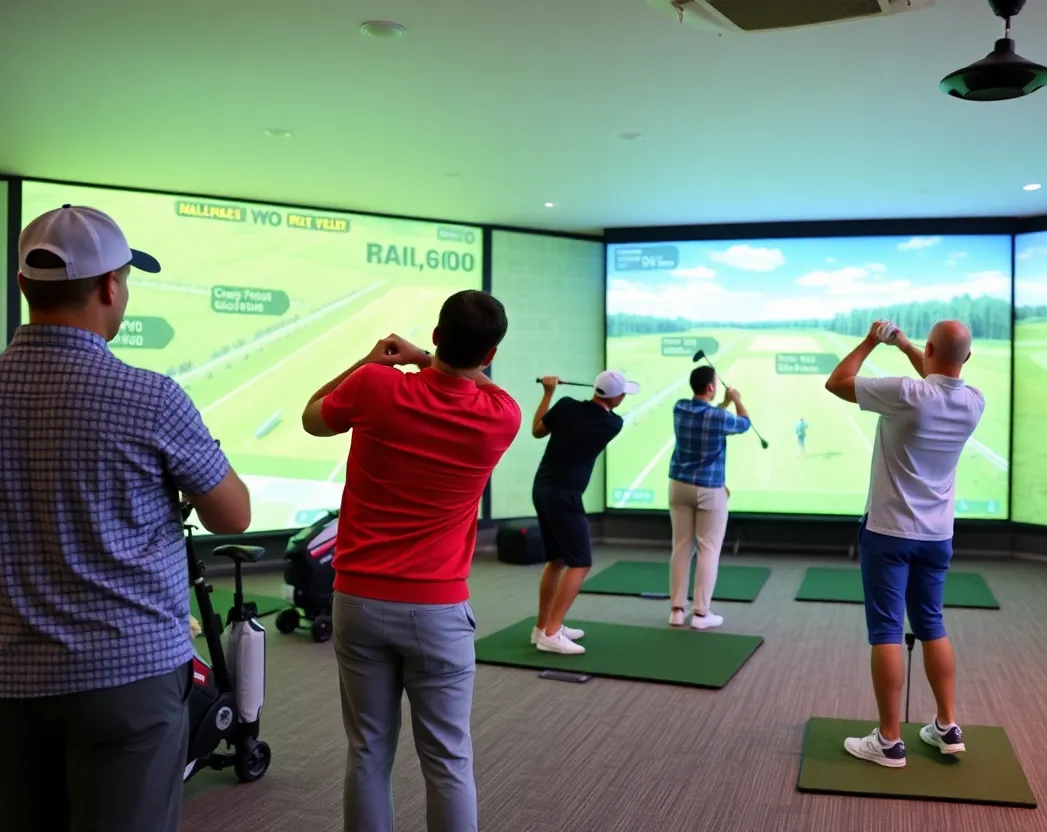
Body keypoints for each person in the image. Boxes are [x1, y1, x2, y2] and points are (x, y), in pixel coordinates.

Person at [0, 205, 252, 832]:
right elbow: (233, 516)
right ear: (111, 286)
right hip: (127, 676)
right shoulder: (152, 396)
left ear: (26, 286)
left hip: (8, 676)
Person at [301, 289, 521, 832]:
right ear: (490, 355)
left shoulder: (375, 386)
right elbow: (476, 379)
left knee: (367, 753)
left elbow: (313, 417)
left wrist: (372, 361)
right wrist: (431, 359)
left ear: (439, 334)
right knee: (448, 761)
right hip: (438, 611)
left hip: (356, 600)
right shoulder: (503, 415)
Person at [824, 319, 984, 769]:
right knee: (932, 624)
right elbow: (941, 371)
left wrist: (874, 341)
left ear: (930, 348)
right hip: (937, 537)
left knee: (887, 631)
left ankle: (890, 741)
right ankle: (947, 726)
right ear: (967, 358)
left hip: (889, 533)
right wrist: (908, 346)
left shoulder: (907, 394)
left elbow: (837, 381)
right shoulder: (974, 402)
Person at [530, 370, 638, 655]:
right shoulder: (613, 423)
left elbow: (537, 429)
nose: (624, 396)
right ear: (614, 396)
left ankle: (542, 627)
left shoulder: (565, 405)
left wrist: (548, 392)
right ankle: (551, 633)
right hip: (565, 496)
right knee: (580, 562)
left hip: (543, 488)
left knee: (557, 560)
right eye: (623, 392)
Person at [667, 365, 752, 630]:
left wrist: (723, 402)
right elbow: (745, 424)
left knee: (681, 546)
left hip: (678, 485)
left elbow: (710, 417)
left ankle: (677, 612)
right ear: (711, 387)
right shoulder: (717, 418)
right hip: (709, 489)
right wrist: (736, 400)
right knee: (708, 548)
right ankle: (702, 615)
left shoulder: (679, 407)